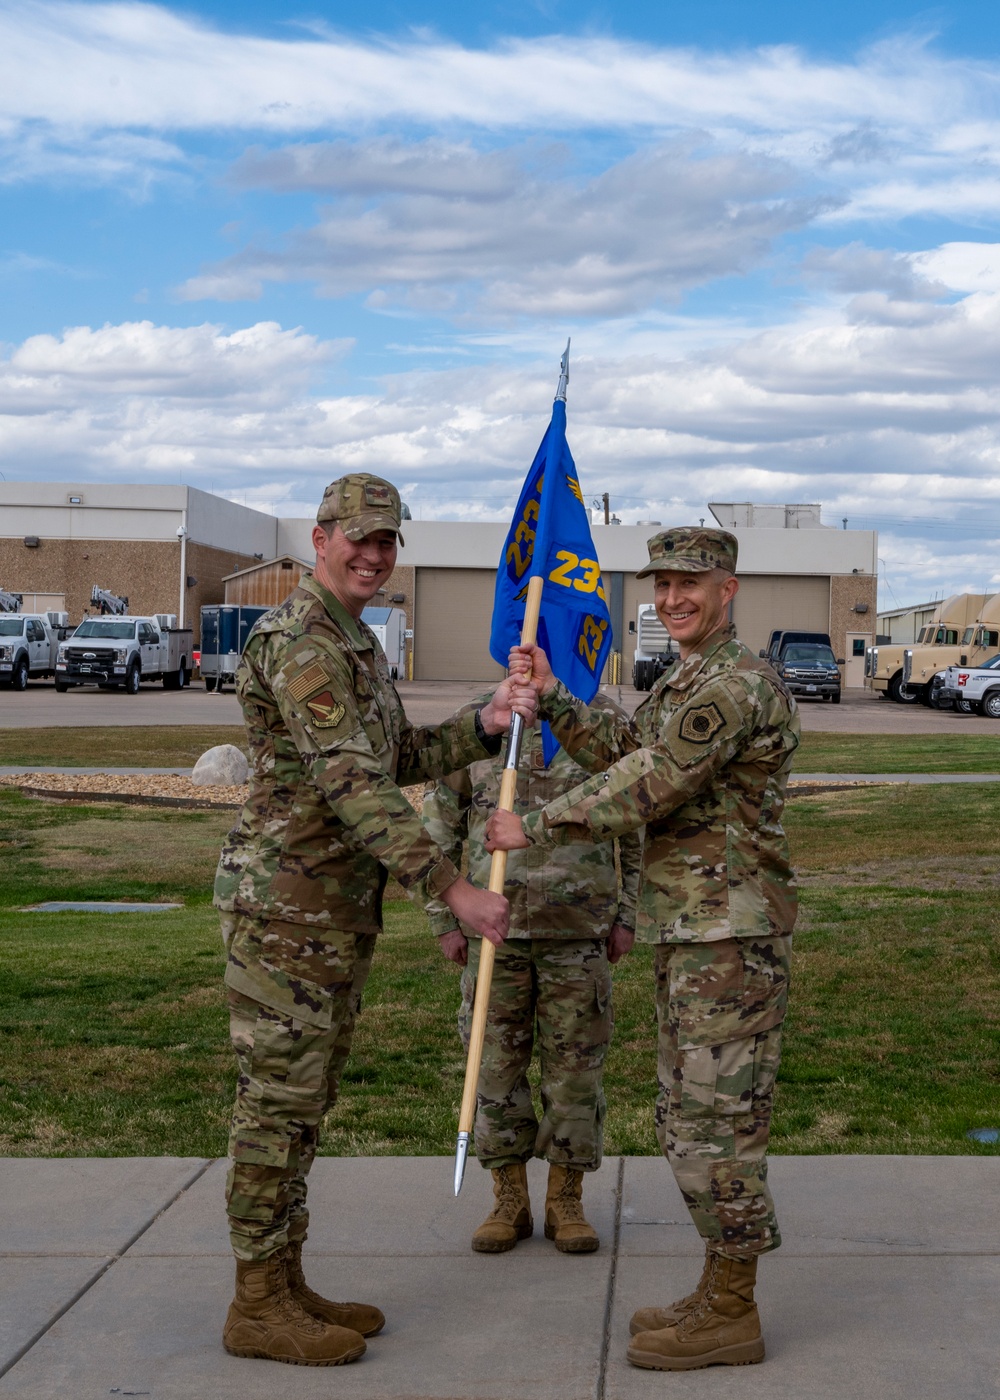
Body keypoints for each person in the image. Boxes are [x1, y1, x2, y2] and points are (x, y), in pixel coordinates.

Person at [214, 473, 536, 1368]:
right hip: (286, 913)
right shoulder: (302, 642)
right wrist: (452, 887)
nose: (374, 554)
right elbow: (354, 786)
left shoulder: (352, 643)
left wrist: (485, 720)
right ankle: (256, 1303)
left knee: (302, 1104)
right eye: (358, 537)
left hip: (325, 913)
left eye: (388, 541)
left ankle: (282, 1282)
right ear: (319, 538)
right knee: (275, 1108)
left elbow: (393, 756)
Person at [486, 527, 799, 1372]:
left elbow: (652, 783)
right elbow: (630, 753)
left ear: (728, 588)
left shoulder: (734, 685)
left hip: (729, 938)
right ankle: (718, 1286)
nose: (671, 599)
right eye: (660, 585)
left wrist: (540, 820)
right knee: (688, 1117)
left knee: (717, 1126)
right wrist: (552, 697)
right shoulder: (686, 680)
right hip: (695, 930)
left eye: (689, 583)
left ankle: (733, 1310)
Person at [423, 695, 641, 1255]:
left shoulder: (602, 727)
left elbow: (636, 826)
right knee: (494, 1069)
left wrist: (628, 916)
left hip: (579, 929)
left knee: (574, 1073)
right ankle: (508, 1197)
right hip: (495, 935)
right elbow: (437, 830)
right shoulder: (481, 727)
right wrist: (443, 919)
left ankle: (566, 1198)